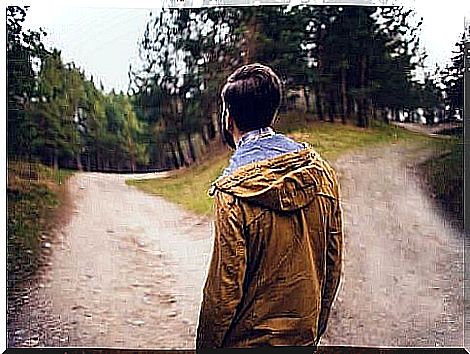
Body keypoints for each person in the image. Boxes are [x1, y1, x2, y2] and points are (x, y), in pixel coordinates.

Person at [196, 63, 343, 349]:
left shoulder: (233, 193)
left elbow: (223, 293)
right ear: (272, 112)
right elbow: (332, 264)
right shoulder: (322, 175)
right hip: (302, 341)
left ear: (229, 119)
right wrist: (313, 331)